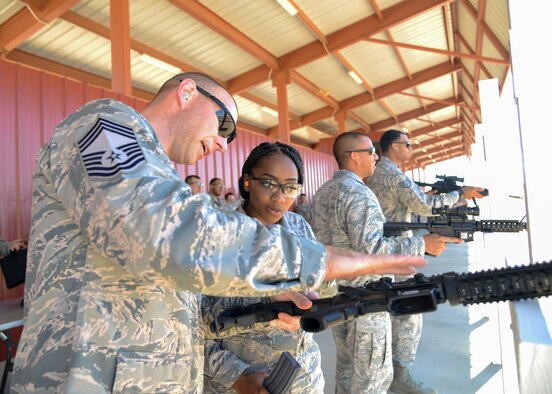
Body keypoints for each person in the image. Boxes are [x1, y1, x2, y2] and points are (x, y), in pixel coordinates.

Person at [11, 73, 425, 393]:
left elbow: (186, 312)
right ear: (187, 93)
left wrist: (268, 300)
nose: (225, 144)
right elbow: (158, 234)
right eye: (224, 123)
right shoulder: (105, 124)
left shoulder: (159, 181)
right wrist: (313, 262)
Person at [311, 131, 461, 394]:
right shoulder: (358, 193)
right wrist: (421, 244)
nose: (376, 157)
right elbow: (372, 250)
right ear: (354, 157)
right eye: (370, 152)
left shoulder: (324, 192)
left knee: (345, 373)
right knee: (373, 378)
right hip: (366, 297)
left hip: (336, 296)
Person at [202, 142, 333, 394]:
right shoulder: (215, 233)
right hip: (238, 385)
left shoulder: (299, 227)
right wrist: (238, 377)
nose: (280, 197)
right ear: (248, 181)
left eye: (290, 187)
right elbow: (186, 324)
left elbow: (321, 287)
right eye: (269, 184)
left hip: (303, 379)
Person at [365, 129, 486, 394]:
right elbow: (427, 207)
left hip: (388, 251)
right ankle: (400, 375)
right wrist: (460, 193)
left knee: (392, 312)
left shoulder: (381, 173)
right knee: (409, 312)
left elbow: (411, 200)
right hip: (397, 252)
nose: (410, 148)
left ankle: (392, 373)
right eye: (407, 144)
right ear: (394, 147)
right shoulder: (391, 173)